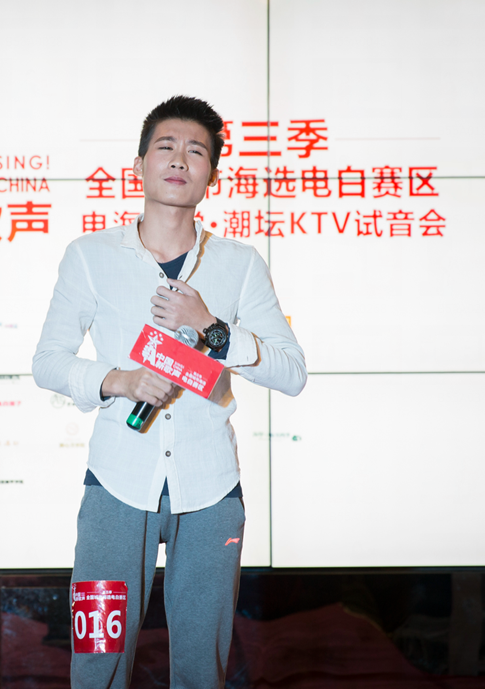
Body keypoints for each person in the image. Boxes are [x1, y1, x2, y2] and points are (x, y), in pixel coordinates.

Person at [32, 95, 307, 689]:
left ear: (213, 176)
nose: (180, 159)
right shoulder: (90, 257)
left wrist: (211, 327)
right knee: (97, 659)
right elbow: (47, 362)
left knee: (202, 667)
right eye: (166, 146)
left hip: (210, 488)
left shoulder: (239, 264)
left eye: (196, 151)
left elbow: (292, 372)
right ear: (139, 165)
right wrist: (119, 381)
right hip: (114, 483)